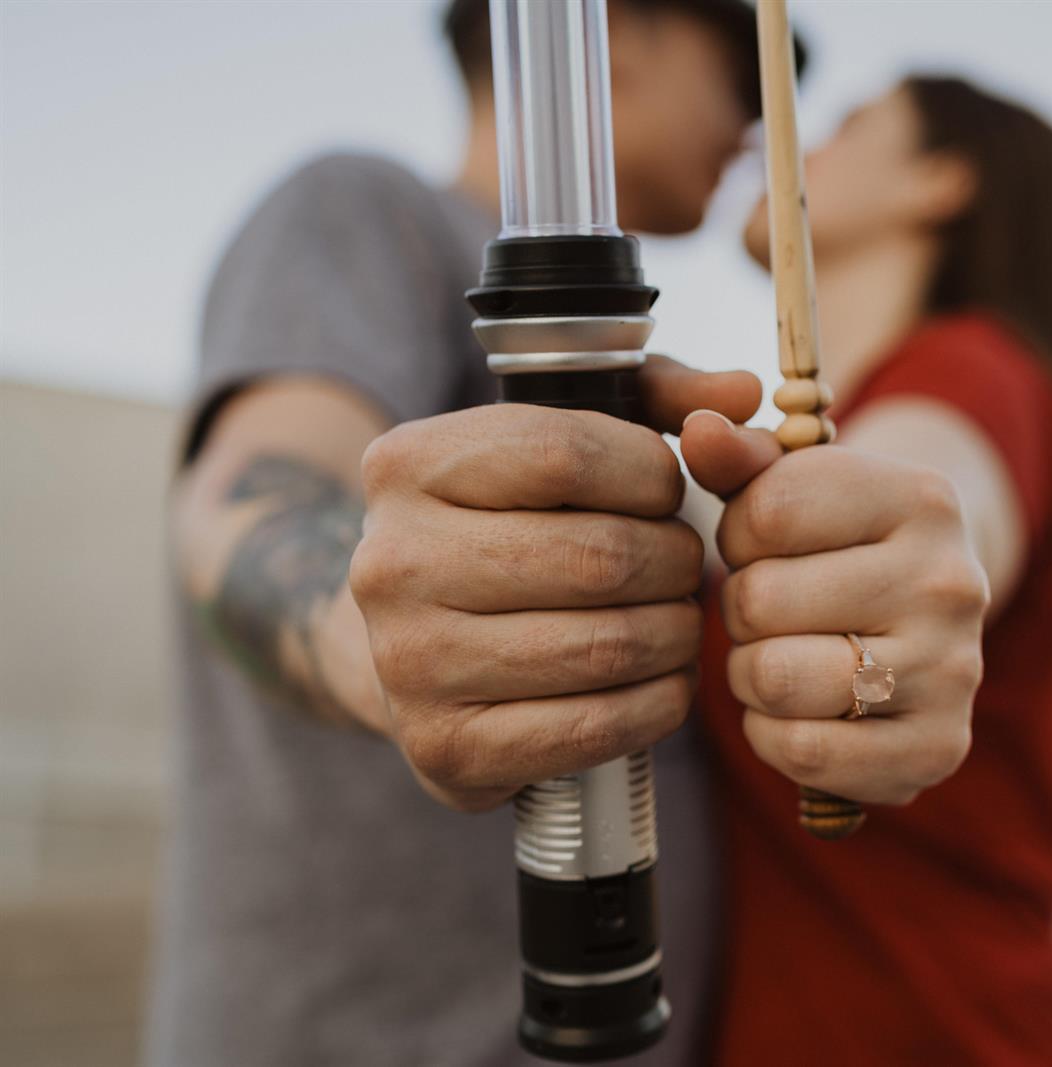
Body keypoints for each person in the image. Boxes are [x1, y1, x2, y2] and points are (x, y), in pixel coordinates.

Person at [150, 2, 989, 1065]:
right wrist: (374, 642)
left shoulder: (635, 362)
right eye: (741, 66)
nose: (759, 115)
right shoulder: (368, 209)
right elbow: (250, 498)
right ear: (611, 31)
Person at [689, 76, 1052, 1065]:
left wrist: (892, 587)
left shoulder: (977, 372)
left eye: (849, 126)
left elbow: (936, 492)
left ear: (939, 180)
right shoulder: (854, 414)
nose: (793, 142)